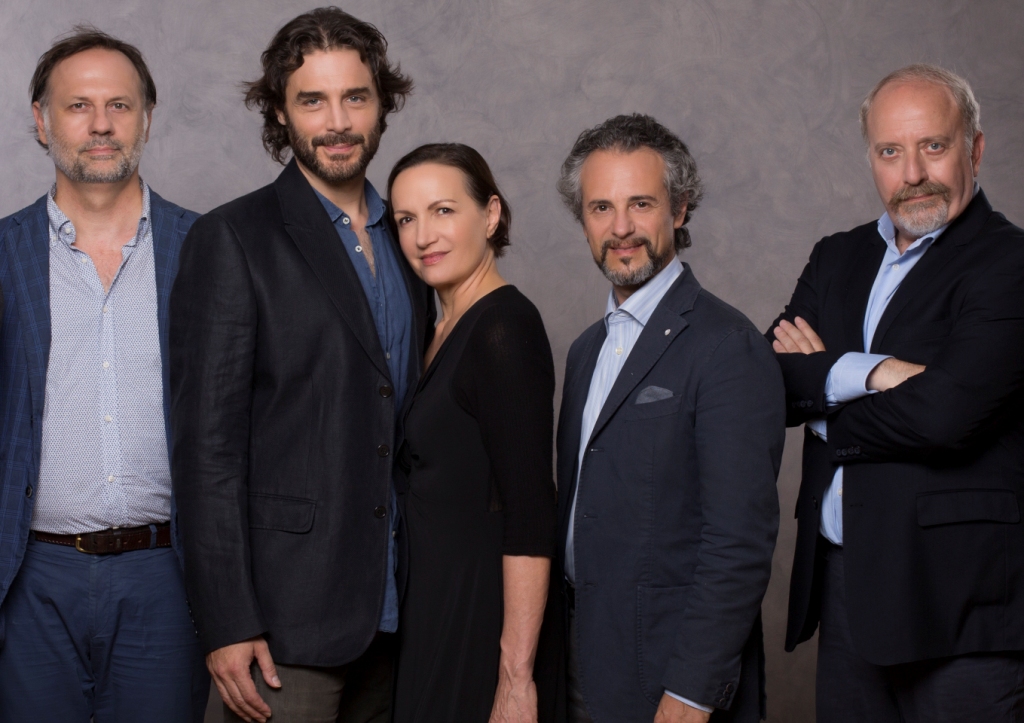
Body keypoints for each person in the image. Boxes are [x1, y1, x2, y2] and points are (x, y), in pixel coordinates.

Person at [170, 8, 434, 723]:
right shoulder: (233, 238)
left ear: (383, 104)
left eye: (356, 97)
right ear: (281, 114)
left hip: (400, 611)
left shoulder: (414, 239)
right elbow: (205, 452)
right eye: (313, 100)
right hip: (283, 621)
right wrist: (227, 620)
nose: (338, 122)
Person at [770, 64, 1024, 722]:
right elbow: (769, 381)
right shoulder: (836, 257)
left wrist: (826, 398)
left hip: (958, 605)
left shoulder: (1009, 263)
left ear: (975, 149)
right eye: (890, 151)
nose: (912, 173)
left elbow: (946, 414)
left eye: (933, 146)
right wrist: (875, 371)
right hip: (846, 591)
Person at [0, 27, 208, 722]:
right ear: (42, 121)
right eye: (78, 106)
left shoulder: (209, 248)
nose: (100, 125)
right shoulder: (3, 254)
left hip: (167, 576)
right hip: (29, 578)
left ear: (146, 119)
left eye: (119, 105)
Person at [554, 114, 784, 723]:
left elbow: (739, 542)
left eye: (641, 204)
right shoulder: (585, 352)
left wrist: (692, 690)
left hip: (669, 676)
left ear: (679, 209)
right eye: (601, 208)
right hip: (580, 655)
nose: (620, 228)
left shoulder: (726, 345)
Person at [385, 143, 557, 723]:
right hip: (431, 610)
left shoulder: (504, 328)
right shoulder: (434, 329)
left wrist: (516, 677)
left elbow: (530, 513)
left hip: (481, 622)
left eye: (443, 211)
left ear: (490, 215)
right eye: (406, 219)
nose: (422, 236)